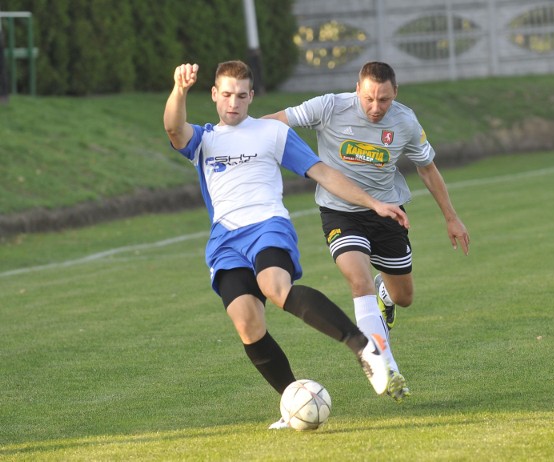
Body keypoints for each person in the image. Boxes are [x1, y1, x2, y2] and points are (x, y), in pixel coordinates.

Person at [163, 60, 412, 429]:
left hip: (268, 226)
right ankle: (294, 401)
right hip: (225, 241)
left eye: (241, 95)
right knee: (247, 322)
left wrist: (373, 203)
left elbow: (323, 172)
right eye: (227, 94)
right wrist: (179, 89)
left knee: (274, 287)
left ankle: (364, 347)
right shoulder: (203, 138)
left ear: (251, 97)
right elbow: (172, 127)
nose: (234, 103)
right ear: (215, 95)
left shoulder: (270, 133)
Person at [263, 61, 470, 402]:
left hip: (388, 213)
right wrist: (231, 129)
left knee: (404, 297)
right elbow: (276, 122)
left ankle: (384, 294)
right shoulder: (329, 106)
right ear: (357, 89)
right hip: (340, 213)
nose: (376, 108)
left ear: (395, 94)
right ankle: (384, 366)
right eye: (370, 98)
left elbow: (428, 169)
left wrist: (451, 216)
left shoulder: (405, 121)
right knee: (357, 279)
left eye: (384, 100)